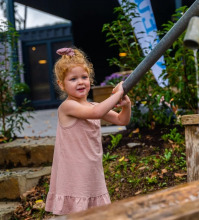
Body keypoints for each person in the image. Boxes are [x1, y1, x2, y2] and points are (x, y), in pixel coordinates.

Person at [45, 47, 131, 215]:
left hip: (92, 168)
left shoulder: (93, 105)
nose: (80, 82)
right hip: (74, 171)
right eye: (73, 79)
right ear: (62, 85)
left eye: (84, 77)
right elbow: (97, 113)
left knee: (94, 212)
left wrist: (126, 105)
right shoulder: (67, 107)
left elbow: (122, 120)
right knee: (78, 212)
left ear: (90, 80)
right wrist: (118, 93)